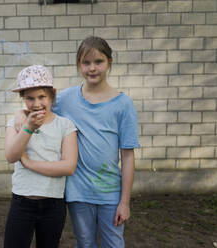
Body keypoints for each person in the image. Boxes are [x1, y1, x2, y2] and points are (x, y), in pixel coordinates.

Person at [14, 36, 140, 248]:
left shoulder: (123, 104)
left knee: (114, 243)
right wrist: (20, 114)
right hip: (78, 192)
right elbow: (38, 106)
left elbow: (127, 156)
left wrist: (124, 202)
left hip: (110, 192)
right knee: (85, 243)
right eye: (86, 62)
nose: (92, 68)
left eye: (98, 62)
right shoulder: (66, 99)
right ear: (78, 65)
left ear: (110, 62)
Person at [3, 65, 78, 248]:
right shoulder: (16, 123)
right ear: (23, 98)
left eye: (41, 96)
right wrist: (27, 127)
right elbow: (11, 156)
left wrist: (28, 163)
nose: (36, 103)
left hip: (53, 204)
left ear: (52, 95)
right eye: (30, 98)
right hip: (22, 202)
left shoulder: (65, 125)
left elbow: (68, 167)